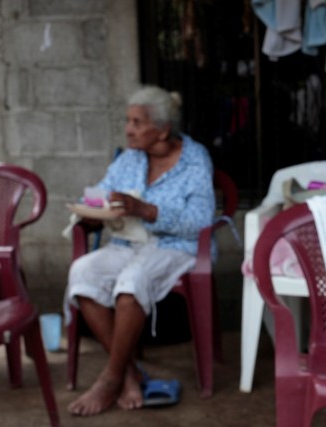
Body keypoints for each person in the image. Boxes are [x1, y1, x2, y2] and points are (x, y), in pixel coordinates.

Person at [64, 85, 216, 416]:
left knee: (132, 281)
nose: (128, 129)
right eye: (128, 120)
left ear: (162, 129)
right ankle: (129, 372)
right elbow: (104, 194)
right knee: (83, 272)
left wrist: (146, 210)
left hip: (176, 246)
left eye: (136, 122)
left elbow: (201, 220)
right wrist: (92, 214)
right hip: (127, 243)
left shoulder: (195, 159)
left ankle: (111, 377)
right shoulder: (129, 158)